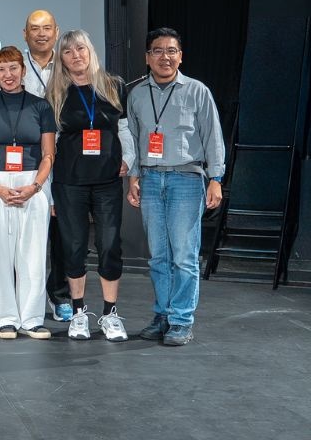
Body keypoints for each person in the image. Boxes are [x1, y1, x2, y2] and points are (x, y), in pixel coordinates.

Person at [126, 28, 225, 346]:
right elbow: (134, 141)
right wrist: (134, 176)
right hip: (151, 180)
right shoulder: (137, 95)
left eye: (171, 51)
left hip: (187, 179)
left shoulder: (197, 91)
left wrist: (216, 179)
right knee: (158, 256)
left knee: (184, 255)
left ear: (180, 56)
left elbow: (213, 137)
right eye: (157, 50)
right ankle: (163, 315)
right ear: (147, 57)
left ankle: (181, 320)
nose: (164, 57)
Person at [47, 29, 135, 342]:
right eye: (68, 51)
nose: (76, 56)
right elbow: (49, 145)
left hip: (107, 180)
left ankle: (110, 314)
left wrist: (129, 159)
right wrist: (48, 193)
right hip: (69, 182)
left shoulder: (114, 85)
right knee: (73, 247)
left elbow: (124, 128)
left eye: (81, 49)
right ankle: (79, 312)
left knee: (110, 245)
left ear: (90, 51)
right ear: (62, 58)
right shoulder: (55, 93)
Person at [0, 46, 57, 340]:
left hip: (32, 183)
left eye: (13, 68)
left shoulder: (41, 106)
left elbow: (49, 154)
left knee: (33, 254)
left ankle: (32, 319)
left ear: (23, 71)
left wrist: (35, 186)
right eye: (1, 69)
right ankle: (6, 318)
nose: (7, 75)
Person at [22, 9, 73, 323]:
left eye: (47, 28)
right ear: (24, 33)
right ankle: (28, 296)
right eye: (34, 28)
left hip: (65, 157)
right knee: (26, 233)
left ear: (56, 32)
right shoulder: (15, 65)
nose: (41, 34)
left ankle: (60, 295)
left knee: (61, 233)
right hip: (27, 159)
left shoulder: (69, 66)